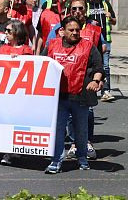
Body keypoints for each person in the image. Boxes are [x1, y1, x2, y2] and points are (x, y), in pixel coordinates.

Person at [44, 17, 104, 174]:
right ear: (62, 31)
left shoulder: (88, 46)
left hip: (80, 96)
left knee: (81, 130)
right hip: (59, 97)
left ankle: (82, 158)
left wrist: (96, 81)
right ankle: (56, 161)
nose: (75, 33)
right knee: (57, 130)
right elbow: (41, 64)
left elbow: (99, 66)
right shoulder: (52, 45)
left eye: (78, 30)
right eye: (71, 30)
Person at [86, 0, 116, 101]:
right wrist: (89, 21)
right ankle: (89, 88)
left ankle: (106, 91)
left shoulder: (105, 4)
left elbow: (114, 21)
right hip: (90, 40)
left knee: (105, 66)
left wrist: (110, 17)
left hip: (105, 39)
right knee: (90, 66)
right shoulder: (86, 4)